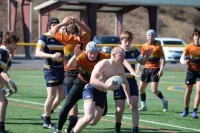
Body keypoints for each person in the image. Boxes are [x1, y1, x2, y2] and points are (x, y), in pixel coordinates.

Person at [71, 46, 132, 133]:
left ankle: (76, 120)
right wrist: (107, 86)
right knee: (89, 116)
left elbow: (125, 82)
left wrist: (128, 98)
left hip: (102, 94)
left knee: (93, 122)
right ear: (113, 55)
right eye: (121, 56)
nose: (123, 58)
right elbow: (92, 80)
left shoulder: (120, 68)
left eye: (124, 56)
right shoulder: (103, 64)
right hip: (91, 90)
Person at [53, 41, 110, 133]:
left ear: (98, 52)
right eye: (90, 53)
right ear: (86, 52)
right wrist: (75, 56)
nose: (92, 55)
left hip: (96, 86)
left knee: (103, 112)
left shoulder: (104, 57)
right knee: (67, 106)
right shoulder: (82, 56)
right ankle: (58, 129)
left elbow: (118, 61)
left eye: (94, 53)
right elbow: (69, 66)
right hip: (81, 83)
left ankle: (76, 123)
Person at [49, 16, 91, 132]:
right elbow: (88, 31)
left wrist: (62, 23)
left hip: (70, 73)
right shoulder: (83, 39)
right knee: (78, 101)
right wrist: (77, 20)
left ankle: (63, 127)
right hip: (83, 74)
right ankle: (72, 126)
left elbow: (52, 31)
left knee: (70, 101)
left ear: (67, 31)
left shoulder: (66, 38)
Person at [113, 31, 152, 133]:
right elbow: (124, 62)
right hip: (119, 81)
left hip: (131, 81)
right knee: (120, 108)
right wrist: (133, 71)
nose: (128, 43)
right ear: (121, 40)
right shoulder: (118, 51)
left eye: (129, 40)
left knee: (134, 105)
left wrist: (146, 56)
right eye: (126, 40)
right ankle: (117, 126)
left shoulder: (134, 51)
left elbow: (142, 62)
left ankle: (135, 129)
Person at [35, 17, 66, 129]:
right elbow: (37, 53)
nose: (56, 26)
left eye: (57, 24)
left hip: (61, 69)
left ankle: (46, 113)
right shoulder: (44, 37)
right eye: (53, 25)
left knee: (63, 95)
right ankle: (47, 121)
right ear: (50, 26)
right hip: (50, 69)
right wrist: (51, 56)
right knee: (52, 95)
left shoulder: (61, 37)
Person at [137, 29, 168, 112]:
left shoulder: (158, 46)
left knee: (154, 90)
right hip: (146, 69)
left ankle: (164, 101)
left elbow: (162, 58)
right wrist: (137, 68)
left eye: (152, 35)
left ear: (154, 36)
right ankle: (143, 106)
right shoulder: (144, 46)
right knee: (141, 89)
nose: (150, 37)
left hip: (155, 69)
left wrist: (161, 69)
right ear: (146, 36)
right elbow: (141, 58)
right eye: (149, 35)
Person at [0, 31, 19, 133]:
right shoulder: (3, 52)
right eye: (15, 43)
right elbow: (2, 72)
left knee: (4, 101)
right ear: (9, 42)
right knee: (3, 101)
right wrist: (12, 83)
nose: (16, 45)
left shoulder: (4, 51)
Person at [180, 28, 200, 118]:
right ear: (193, 37)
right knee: (188, 91)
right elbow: (182, 58)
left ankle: (195, 111)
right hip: (191, 72)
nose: (197, 37)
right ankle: (186, 109)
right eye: (196, 36)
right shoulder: (188, 47)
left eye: (199, 36)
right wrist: (183, 61)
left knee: (199, 91)